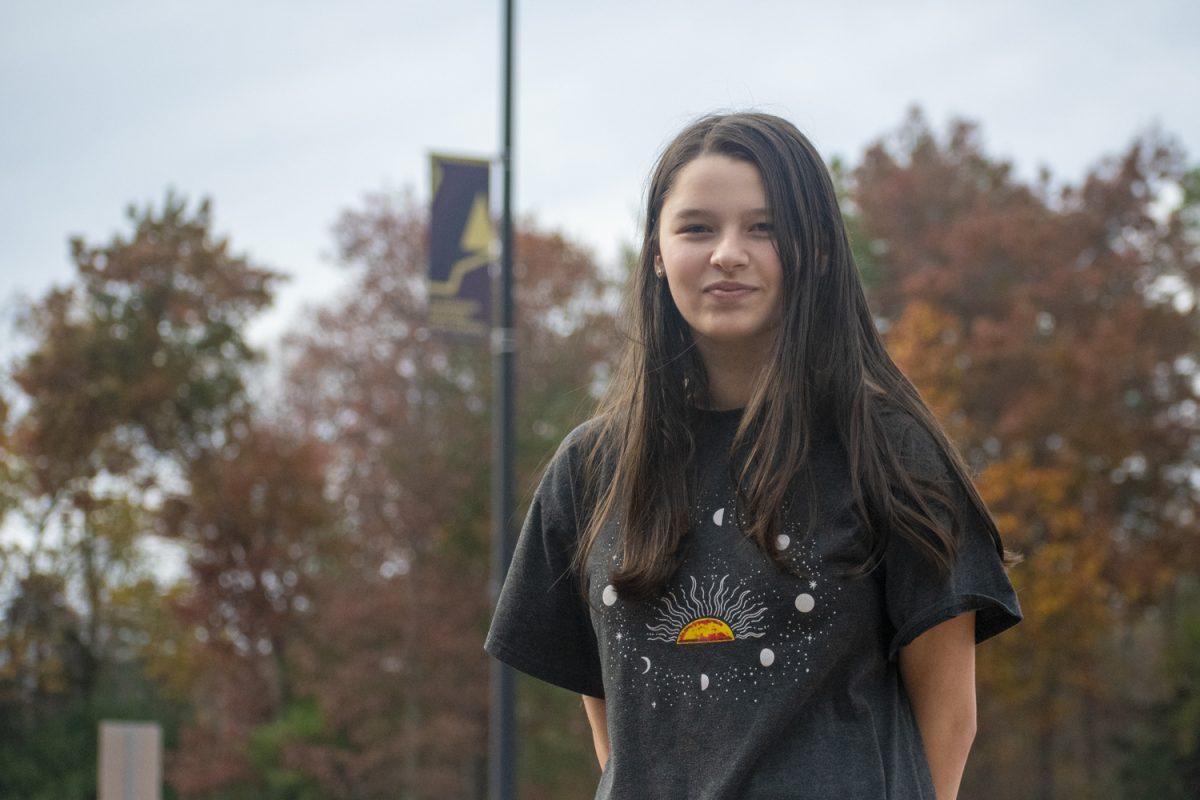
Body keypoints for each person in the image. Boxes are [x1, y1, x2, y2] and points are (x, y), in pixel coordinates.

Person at [485, 112, 1021, 799]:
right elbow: (615, 726)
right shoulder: (590, 470)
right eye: (697, 228)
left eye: (763, 228)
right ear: (655, 252)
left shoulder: (888, 452)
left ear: (819, 250)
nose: (728, 253)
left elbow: (950, 723)